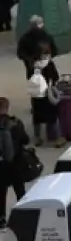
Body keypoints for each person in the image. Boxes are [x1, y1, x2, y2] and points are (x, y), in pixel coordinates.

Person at [0, 97, 29, 230]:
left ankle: (1, 220)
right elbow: (26, 140)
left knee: (1, 192)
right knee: (20, 190)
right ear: (7, 108)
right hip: (16, 163)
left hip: (2, 164)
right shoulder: (16, 123)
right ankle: (24, 216)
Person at [29, 50, 63, 147]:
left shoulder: (32, 64)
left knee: (37, 117)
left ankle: (37, 138)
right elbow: (55, 77)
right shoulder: (49, 64)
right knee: (52, 116)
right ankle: (58, 139)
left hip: (35, 94)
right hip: (46, 93)